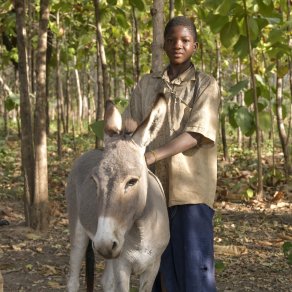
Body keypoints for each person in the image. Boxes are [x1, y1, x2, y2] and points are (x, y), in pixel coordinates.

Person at [123, 16, 220, 292]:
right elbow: (132, 123)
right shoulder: (147, 85)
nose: (178, 45)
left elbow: (196, 134)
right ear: (163, 45)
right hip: (153, 191)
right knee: (157, 268)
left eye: (185, 40)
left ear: (195, 46)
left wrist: (152, 156)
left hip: (190, 191)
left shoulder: (205, 85)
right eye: (172, 40)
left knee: (194, 267)